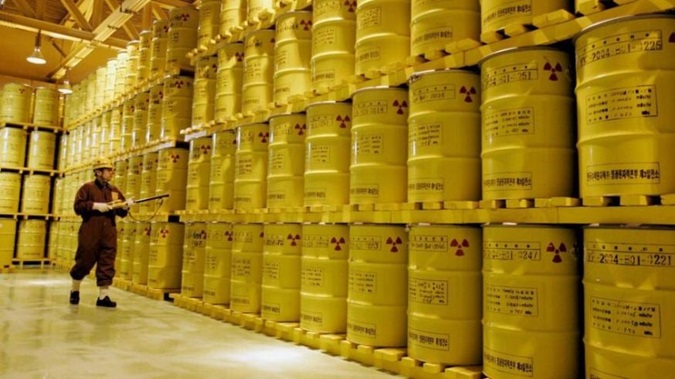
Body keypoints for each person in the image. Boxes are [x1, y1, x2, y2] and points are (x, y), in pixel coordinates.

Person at [69, 158, 133, 308]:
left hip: (109, 232)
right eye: (108, 170)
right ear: (98, 172)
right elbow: (78, 207)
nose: (112, 172)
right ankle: (75, 290)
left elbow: (121, 211)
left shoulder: (114, 190)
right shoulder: (87, 188)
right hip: (90, 230)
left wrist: (125, 207)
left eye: (111, 170)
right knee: (84, 261)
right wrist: (95, 206)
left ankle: (103, 297)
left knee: (107, 262)